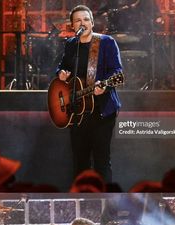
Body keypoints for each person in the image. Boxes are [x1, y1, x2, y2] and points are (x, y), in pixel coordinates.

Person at [54, 4, 123, 184]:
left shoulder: (106, 42)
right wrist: (60, 73)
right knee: (80, 163)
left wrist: (105, 86)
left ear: (92, 23)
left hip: (101, 110)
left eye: (86, 19)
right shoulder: (71, 44)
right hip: (76, 111)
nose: (82, 23)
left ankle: (106, 208)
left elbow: (118, 72)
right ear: (72, 26)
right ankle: (82, 204)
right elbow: (62, 66)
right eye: (78, 20)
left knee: (101, 162)